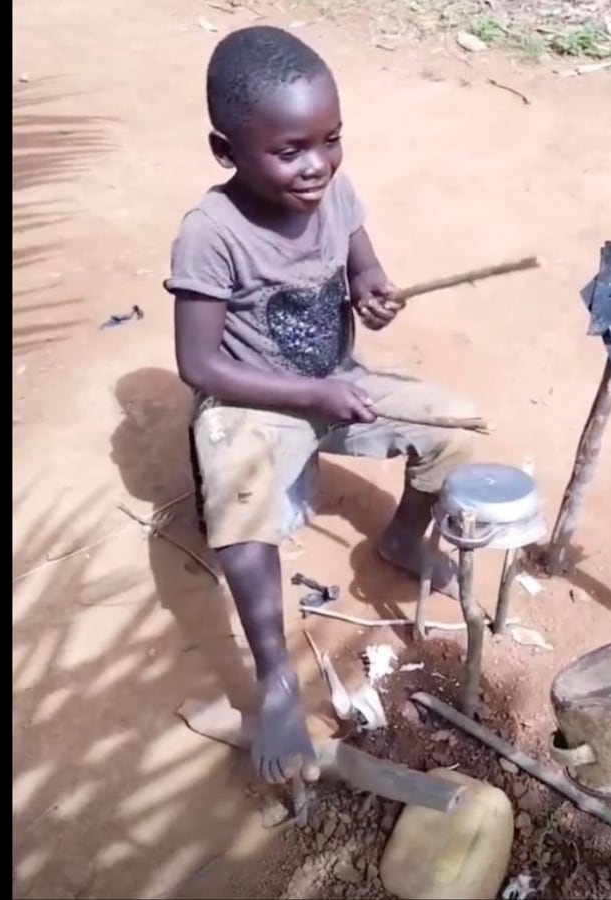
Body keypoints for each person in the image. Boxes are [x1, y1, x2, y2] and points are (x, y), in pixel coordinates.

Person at [164, 26, 478, 787]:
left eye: (331, 140)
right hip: (256, 399)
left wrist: (373, 291)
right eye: (291, 149)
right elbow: (198, 364)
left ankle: (404, 540)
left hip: (337, 381)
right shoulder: (210, 235)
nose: (317, 165)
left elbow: (363, 262)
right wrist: (311, 393)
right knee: (241, 509)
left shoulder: (335, 191)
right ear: (226, 149)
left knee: (457, 433)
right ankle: (274, 678)